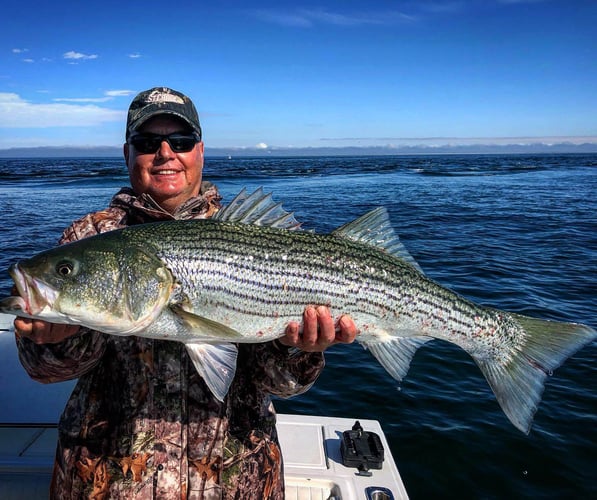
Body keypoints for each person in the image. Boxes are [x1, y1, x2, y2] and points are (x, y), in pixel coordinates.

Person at [14, 87, 358, 499]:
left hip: (235, 481)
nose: (165, 153)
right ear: (127, 153)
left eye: (180, 141)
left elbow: (283, 384)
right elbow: (44, 370)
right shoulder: (90, 237)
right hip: (108, 481)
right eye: (146, 143)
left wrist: (299, 349)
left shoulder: (257, 237)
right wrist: (60, 340)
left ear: (200, 151)